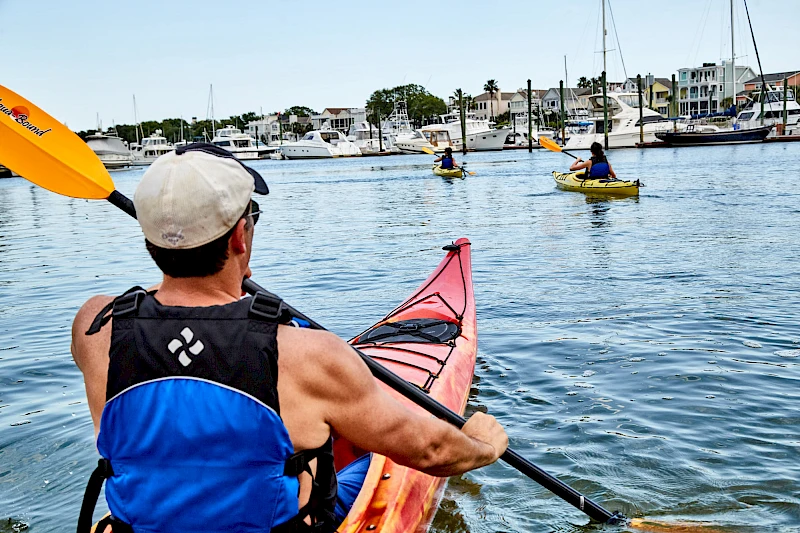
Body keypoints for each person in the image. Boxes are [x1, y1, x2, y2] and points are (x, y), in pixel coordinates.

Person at [71, 143, 508, 533]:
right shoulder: (307, 354)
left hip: (143, 523)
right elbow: (431, 450)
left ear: (150, 239)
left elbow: (166, 317)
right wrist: (483, 446)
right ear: (240, 236)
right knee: (369, 454)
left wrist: (207, 279)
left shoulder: (95, 325)